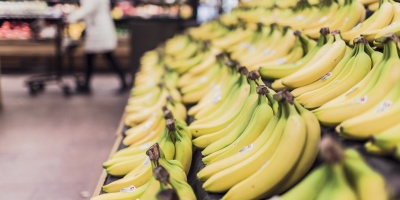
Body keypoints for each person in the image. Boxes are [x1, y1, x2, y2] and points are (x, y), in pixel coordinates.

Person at [67, 0, 128, 94]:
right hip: (95, 28)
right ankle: (86, 85)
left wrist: (71, 17)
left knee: (108, 56)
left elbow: (88, 9)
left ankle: (124, 82)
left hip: (100, 29)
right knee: (90, 57)